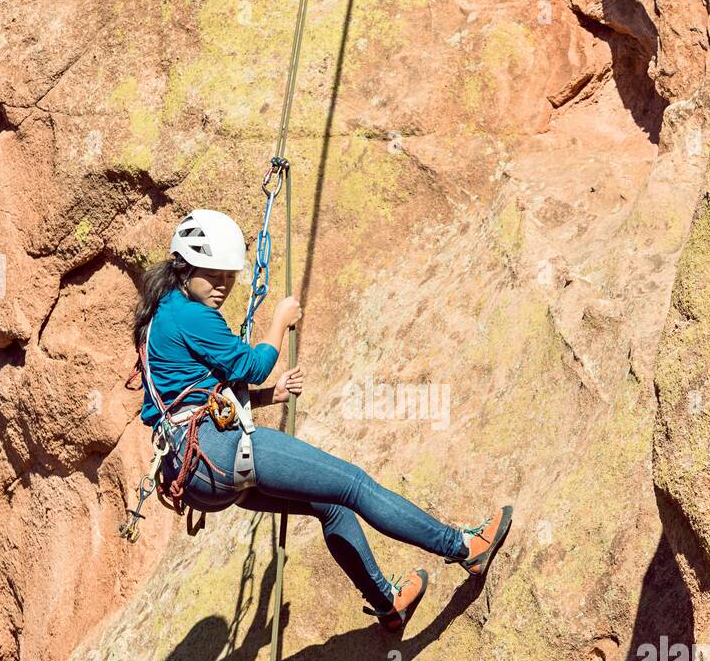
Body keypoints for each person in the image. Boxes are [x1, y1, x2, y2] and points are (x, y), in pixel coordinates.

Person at [132, 209, 511, 632]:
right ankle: (463, 546)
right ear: (184, 267)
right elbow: (252, 365)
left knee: (330, 506)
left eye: (229, 276)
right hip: (215, 453)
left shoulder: (160, 315)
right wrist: (280, 321)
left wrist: (265, 398)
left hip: (196, 475)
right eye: (213, 275)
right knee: (353, 484)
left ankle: (388, 604)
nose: (222, 286)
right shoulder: (192, 315)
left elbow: (190, 393)